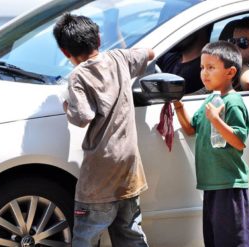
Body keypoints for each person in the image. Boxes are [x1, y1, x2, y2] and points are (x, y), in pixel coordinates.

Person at [53, 13, 154, 247]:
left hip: (99, 176)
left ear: (65, 53)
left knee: (86, 236)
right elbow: (149, 53)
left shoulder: (78, 75)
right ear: (98, 40)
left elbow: (83, 117)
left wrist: (67, 106)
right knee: (130, 233)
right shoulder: (119, 58)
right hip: (128, 169)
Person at [173, 41, 249, 246]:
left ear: (230, 72)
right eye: (202, 67)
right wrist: (178, 105)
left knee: (232, 240)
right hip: (212, 184)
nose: (204, 73)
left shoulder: (233, 102)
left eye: (211, 68)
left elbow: (238, 141)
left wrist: (217, 120)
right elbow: (191, 129)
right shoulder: (211, 100)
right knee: (214, 240)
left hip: (228, 183)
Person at [157, 25, 212, 94]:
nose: (173, 33)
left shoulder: (204, 71)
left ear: (200, 29)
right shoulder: (169, 57)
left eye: (180, 27)